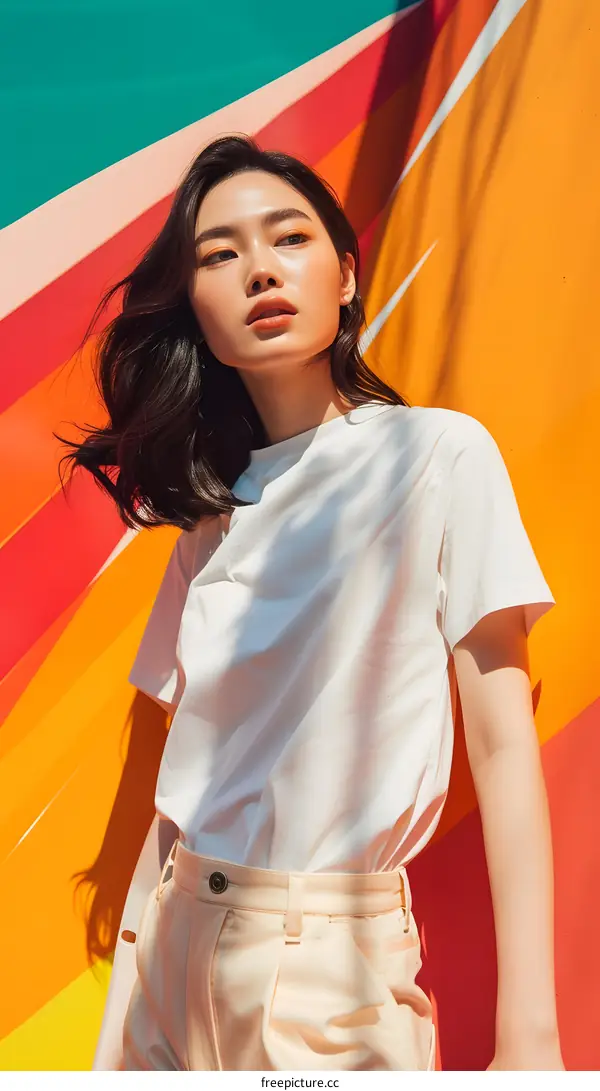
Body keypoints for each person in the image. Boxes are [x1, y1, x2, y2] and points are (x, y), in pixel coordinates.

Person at [56, 135, 564, 1072]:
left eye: (289, 238)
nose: (258, 270)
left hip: (330, 965)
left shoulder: (438, 456)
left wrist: (531, 1035)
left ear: (345, 277)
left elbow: (501, 744)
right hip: (171, 956)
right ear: (198, 315)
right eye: (219, 254)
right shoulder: (208, 518)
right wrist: (117, 1037)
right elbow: (182, 798)